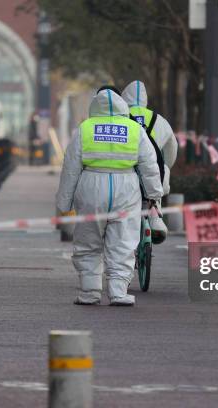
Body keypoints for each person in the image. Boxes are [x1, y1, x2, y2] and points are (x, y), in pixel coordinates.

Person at [56, 88, 163, 306]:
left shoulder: (85, 129)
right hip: (127, 188)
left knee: (88, 240)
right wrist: (154, 195)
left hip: (91, 186)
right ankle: (118, 292)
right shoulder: (135, 130)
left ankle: (90, 291)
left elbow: (71, 167)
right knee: (123, 242)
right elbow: (149, 165)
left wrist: (63, 202)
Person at [121, 80, 178, 244]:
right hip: (154, 174)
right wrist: (166, 166)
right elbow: (171, 150)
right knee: (157, 177)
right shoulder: (160, 120)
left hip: (127, 173)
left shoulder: (120, 118)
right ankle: (156, 218)